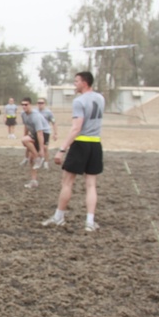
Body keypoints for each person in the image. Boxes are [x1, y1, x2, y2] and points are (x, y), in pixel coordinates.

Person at [43, 71, 105, 232]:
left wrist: (61, 149)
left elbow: (76, 128)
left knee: (67, 182)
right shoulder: (100, 98)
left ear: (85, 83)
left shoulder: (79, 101)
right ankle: (90, 222)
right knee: (91, 185)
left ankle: (59, 217)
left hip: (81, 144)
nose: (74, 84)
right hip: (96, 144)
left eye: (76, 81)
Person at [19, 98, 50, 188]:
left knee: (34, 156)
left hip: (44, 133)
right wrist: (25, 137)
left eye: (26, 104)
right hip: (34, 133)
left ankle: (39, 157)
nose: (24, 106)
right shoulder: (23, 114)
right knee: (31, 159)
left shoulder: (35, 116)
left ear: (30, 105)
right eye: (23, 104)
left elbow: (40, 133)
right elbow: (26, 126)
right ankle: (34, 181)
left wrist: (41, 149)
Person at [36, 97, 58, 169]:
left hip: (45, 132)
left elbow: (53, 122)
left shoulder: (48, 112)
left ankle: (46, 162)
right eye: (39, 103)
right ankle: (37, 161)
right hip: (37, 131)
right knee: (37, 147)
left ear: (44, 104)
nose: (40, 104)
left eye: (42, 103)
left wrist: (55, 133)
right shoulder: (35, 112)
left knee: (45, 148)